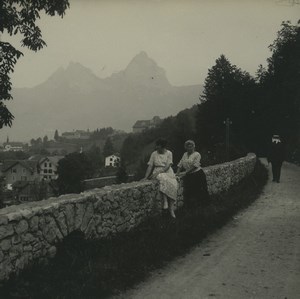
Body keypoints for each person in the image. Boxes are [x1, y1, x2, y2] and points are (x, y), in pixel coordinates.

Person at [142, 138, 178, 218]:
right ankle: (165, 201)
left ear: (162, 146)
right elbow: (150, 165)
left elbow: (168, 165)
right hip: (157, 171)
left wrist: (159, 172)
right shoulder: (154, 154)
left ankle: (171, 209)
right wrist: (146, 177)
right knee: (162, 178)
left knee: (174, 184)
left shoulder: (169, 153)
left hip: (167, 171)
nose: (156, 147)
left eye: (158, 146)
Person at [176, 140, 209, 208]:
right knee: (189, 192)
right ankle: (192, 208)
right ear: (186, 147)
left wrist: (185, 172)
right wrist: (177, 173)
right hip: (189, 176)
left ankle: (204, 207)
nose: (190, 148)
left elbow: (195, 165)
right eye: (188, 147)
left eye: (191, 147)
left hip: (197, 174)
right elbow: (180, 164)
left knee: (200, 191)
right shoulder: (185, 154)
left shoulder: (197, 154)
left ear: (194, 147)